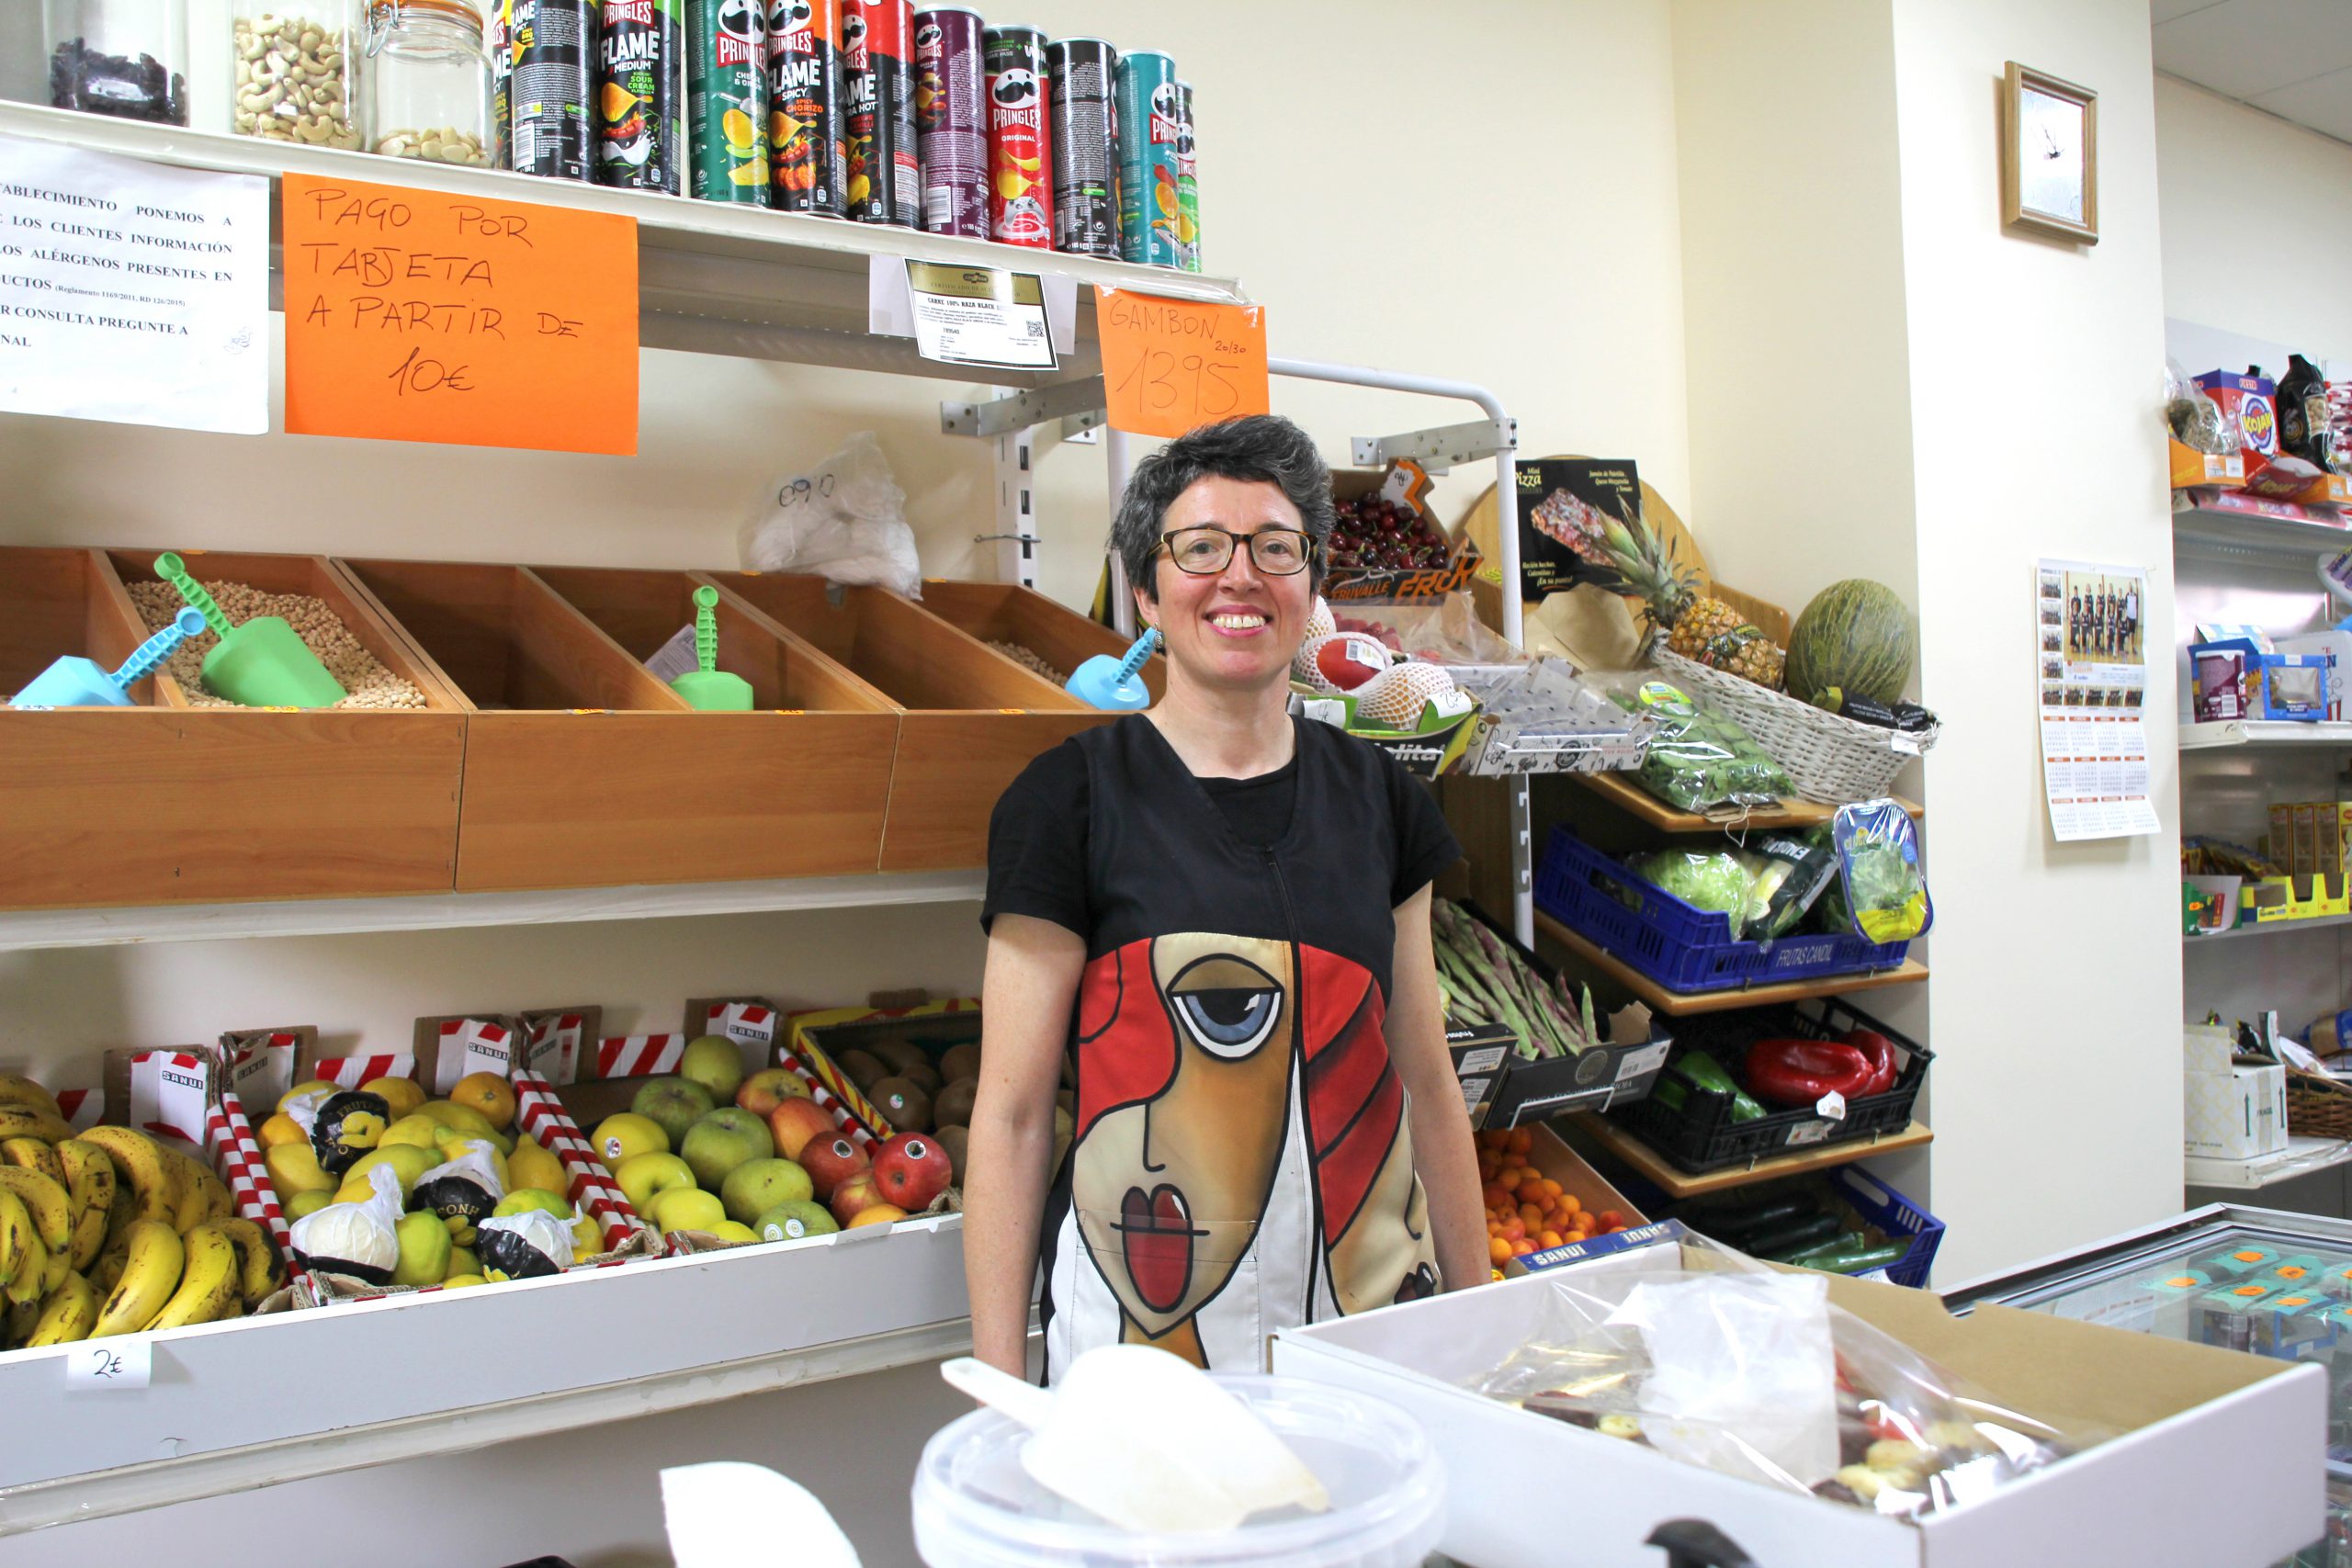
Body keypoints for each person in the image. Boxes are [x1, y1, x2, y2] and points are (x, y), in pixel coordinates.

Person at [964, 414, 1487, 1382]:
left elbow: (1423, 1081)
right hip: (1138, 1358)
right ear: (1146, 594)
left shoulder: (1383, 800)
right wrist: (1003, 1393)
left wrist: (1478, 1322)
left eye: (1275, 549)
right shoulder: (1064, 801)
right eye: (1201, 548)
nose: (1240, 577)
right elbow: (1012, 1115)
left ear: (1311, 587)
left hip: (1365, 1340)